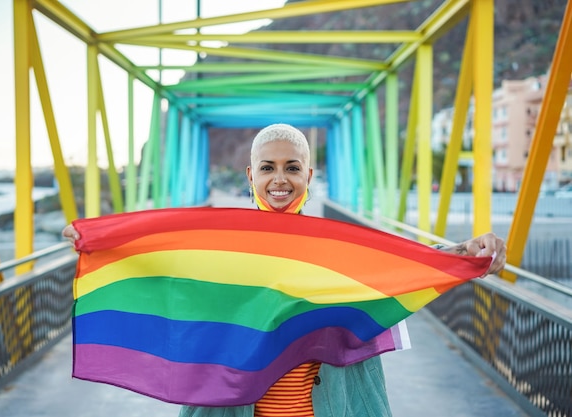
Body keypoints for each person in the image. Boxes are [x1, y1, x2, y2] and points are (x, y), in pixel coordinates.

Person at [63, 123, 507, 417]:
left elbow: (394, 268)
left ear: (309, 175)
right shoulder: (225, 249)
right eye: (268, 168)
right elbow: (167, 270)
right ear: (250, 175)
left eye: (292, 167)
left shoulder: (332, 248)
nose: (280, 178)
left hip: (328, 406)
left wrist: (462, 253)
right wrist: (101, 243)